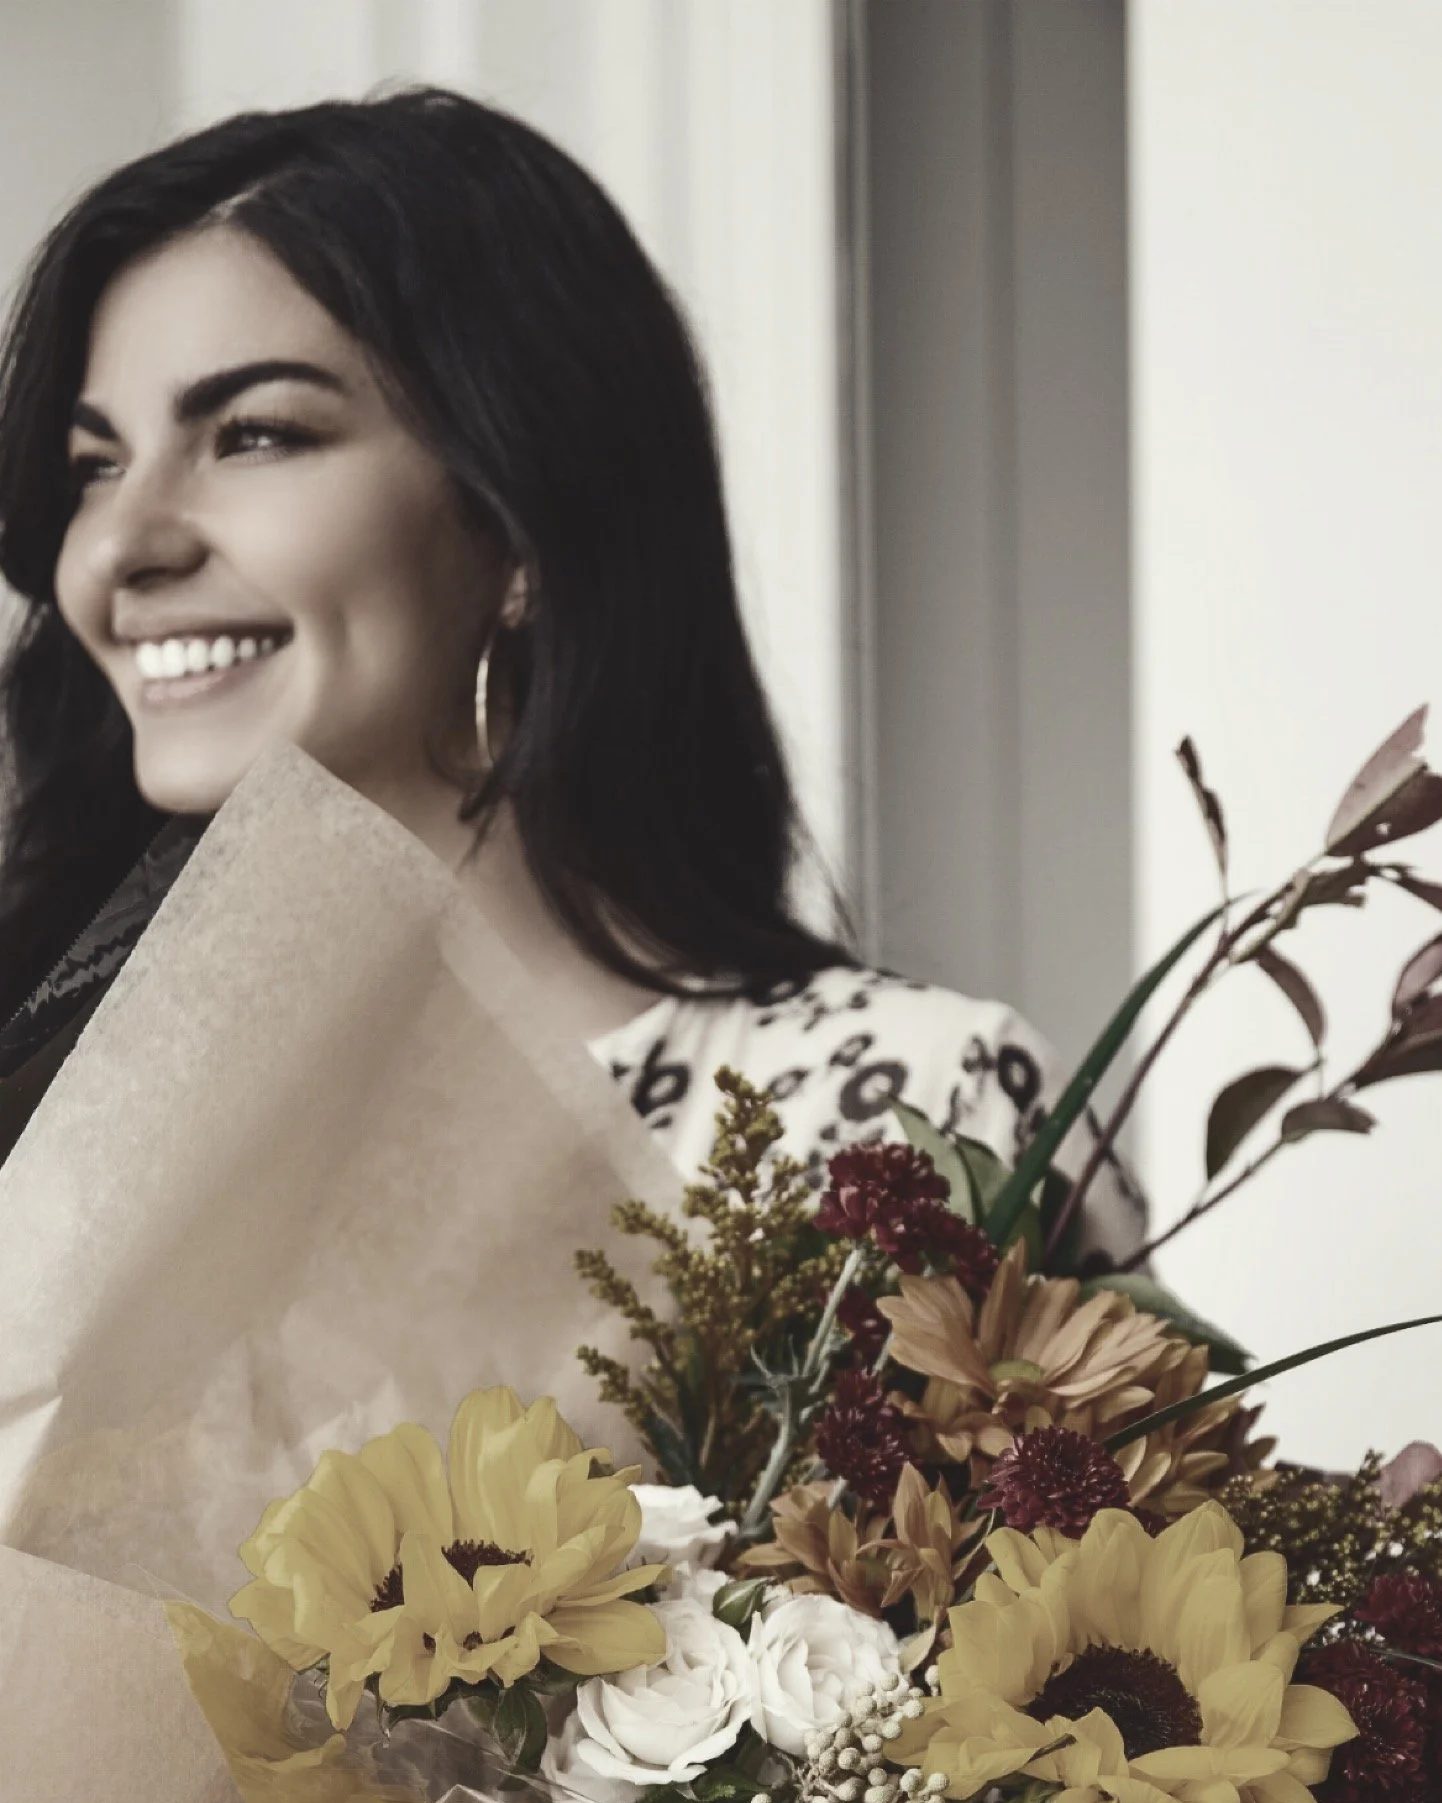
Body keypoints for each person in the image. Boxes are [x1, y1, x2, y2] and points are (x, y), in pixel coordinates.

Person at [0, 86, 1144, 1262]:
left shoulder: (903, 1122)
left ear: (518, 529)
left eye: (255, 434)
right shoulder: (57, 1141)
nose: (119, 549)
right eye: (94, 465)